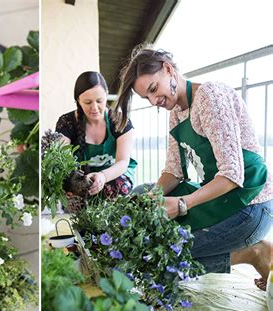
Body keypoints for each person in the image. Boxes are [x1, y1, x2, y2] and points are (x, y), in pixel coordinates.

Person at [113, 45, 273, 290]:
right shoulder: (176, 112)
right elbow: (173, 171)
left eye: (154, 89)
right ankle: (248, 250)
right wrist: (152, 198)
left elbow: (232, 174)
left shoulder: (210, 96)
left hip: (251, 205)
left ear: (168, 69)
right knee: (144, 192)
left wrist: (183, 204)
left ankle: (253, 252)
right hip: (222, 201)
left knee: (166, 253)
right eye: (147, 97)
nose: (155, 101)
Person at [55, 71, 137, 200]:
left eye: (100, 101)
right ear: (78, 100)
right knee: (77, 192)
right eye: (88, 102)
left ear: (106, 95)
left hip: (113, 173)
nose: (95, 107)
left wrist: (103, 176)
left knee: (116, 187)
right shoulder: (67, 122)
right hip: (81, 176)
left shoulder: (119, 121)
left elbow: (122, 162)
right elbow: (62, 159)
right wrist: (79, 179)